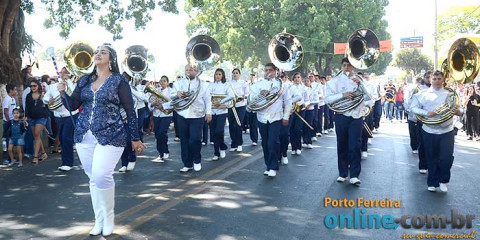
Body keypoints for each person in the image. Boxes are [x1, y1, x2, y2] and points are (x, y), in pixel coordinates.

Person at [58, 43, 145, 236]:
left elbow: (130, 110)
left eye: (102, 52)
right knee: (92, 179)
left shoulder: (118, 81)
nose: (97, 54)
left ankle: (109, 218)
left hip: (112, 134)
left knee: (100, 175)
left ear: (111, 60)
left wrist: (135, 138)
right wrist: (63, 92)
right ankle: (99, 220)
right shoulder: (84, 80)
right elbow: (73, 105)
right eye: (96, 51)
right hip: (83, 134)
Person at [411, 70, 463, 192]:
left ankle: (444, 180)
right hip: (429, 130)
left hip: (447, 130)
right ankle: (432, 182)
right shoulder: (422, 94)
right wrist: (426, 113)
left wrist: (458, 112)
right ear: (430, 80)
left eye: (439, 79)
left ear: (443, 80)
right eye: (434, 79)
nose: (437, 81)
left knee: (446, 158)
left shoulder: (450, 94)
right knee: (431, 157)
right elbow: (413, 107)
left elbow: (461, 109)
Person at [325, 57, 371, 185]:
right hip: (341, 115)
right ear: (342, 66)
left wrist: (360, 84)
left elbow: (369, 97)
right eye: (344, 65)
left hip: (356, 116)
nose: (346, 68)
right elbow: (327, 99)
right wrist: (342, 95)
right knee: (342, 144)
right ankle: (343, 173)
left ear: (353, 67)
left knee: (355, 145)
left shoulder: (360, 80)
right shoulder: (335, 81)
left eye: (349, 65)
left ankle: (355, 175)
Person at [248, 63, 291, 177]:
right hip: (262, 117)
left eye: (270, 70)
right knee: (265, 143)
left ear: (275, 71)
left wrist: (286, 117)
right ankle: (268, 165)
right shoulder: (258, 84)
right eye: (266, 70)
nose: (268, 72)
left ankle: (273, 166)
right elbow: (251, 99)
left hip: (276, 117)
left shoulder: (282, 85)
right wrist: (259, 94)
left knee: (273, 142)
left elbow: (288, 102)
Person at [171, 64, 211, 172]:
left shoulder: (203, 85)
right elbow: (171, 95)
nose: (189, 71)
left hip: (197, 115)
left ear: (197, 71)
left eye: (192, 70)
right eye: (187, 69)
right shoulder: (178, 83)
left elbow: (207, 100)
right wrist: (177, 93)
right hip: (182, 114)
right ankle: (187, 163)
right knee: (184, 140)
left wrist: (209, 113)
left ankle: (196, 160)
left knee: (195, 139)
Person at [44, 67, 79, 171]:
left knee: (66, 137)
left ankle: (67, 163)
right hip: (59, 116)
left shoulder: (72, 85)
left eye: (66, 73)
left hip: (70, 114)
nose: (64, 74)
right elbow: (45, 98)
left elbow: (74, 96)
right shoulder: (53, 86)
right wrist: (48, 100)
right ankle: (66, 160)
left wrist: (67, 83)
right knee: (63, 138)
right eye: (62, 72)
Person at [209, 68, 235, 160]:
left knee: (219, 131)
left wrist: (221, 101)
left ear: (223, 75)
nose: (218, 76)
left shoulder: (226, 85)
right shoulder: (210, 85)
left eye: (220, 74)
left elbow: (231, 95)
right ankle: (216, 153)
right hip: (212, 111)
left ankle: (222, 147)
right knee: (213, 132)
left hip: (222, 111)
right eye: (216, 74)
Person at [25, 79, 49, 164]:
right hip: (32, 118)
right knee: (36, 136)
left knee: (37, 134)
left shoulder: (43, 95)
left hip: (42, 117)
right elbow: (27, 107)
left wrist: (43, 99)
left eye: (34, 85)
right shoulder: (28, 96)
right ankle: (43, 153)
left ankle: (35, 157)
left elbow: (47, 106)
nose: (32, 87)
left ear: (38, 86)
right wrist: (26, 117)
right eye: (31, 86)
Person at [150, 76, 174, 162]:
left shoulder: (171, 91)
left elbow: (172, 103)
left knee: (162, 133)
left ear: (167, 82)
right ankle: (161, 153)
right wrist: (153, 104)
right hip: (157, 115)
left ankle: (165, 150)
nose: (162, 82)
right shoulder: (156, 91)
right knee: (157, 135)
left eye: (164, 81)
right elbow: (150, 103)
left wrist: (162, 105)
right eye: (161, 81)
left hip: (166, 115)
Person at [228, 68, 248, 152]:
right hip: (231, 106)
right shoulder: (228, 84)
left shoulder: (244, 83)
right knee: (231, 125)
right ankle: (234, 143)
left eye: (236, 73)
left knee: (238, 124)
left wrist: (244, 96)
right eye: (233, 73)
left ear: (239, 74)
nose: (235, 74)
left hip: (240, 106)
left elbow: (247, 93)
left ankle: (239, 143)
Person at [289, 72, 307, 155]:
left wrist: (305, 104)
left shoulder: (304, 88)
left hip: (301, 109)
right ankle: (293, 147)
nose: (297, 79)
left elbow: (307, 99)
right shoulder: (290, 88)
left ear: (301, 79)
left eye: (298, 77)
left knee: (298, 128)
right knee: (291, 129)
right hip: (292, 111)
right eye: (295, 77)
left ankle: (298, 147)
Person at [2, 84, 17, 165]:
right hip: (8, 123)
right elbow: (5, 112)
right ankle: (7, 158)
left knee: (12, 140)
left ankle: (12, 157)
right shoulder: (6, 100)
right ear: (10, 90)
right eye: (14, 89)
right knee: (7, 141)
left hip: (12, 121)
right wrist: (9, 122)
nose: (15, 91)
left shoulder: (13, 99)